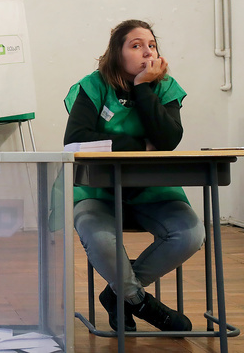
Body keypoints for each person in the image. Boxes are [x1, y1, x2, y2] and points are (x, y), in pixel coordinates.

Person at [63, 19, 205, 332]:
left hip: (152, 190)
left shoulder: (165, 87)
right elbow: (75, 139)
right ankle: (140, 302)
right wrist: (140, 145)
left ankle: (117, 295)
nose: (147, 51)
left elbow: (167, 140)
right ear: (117, 52)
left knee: (191, 235)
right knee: (98, 237)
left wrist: (142, 87)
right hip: (97, 190)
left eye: (152, 45)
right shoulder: (93, 85)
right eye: (136, 45)